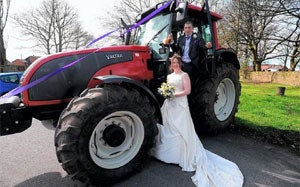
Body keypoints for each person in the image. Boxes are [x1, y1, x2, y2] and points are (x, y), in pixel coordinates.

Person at [150, 53, 244, 187]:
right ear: (171, 64)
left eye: (177, 62)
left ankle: (181, 153)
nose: (175, 64)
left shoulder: (184, 75)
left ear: (180, 64)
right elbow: (168, 86)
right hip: (170, 104)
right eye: (173, 63)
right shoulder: (170, 76)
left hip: (180, 103)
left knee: (181, 127)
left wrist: (173, 94)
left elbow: (187, 91)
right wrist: (166, 94)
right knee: (169, 124)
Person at [169, 21, 211, 86]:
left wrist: (206, 46)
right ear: (184, 29)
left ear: (192, 28)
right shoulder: (181, 38)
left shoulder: (198, 37)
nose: (187, 29)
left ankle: (188, 94)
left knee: (189, 83)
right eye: (186, 28)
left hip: (192, 64)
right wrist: (172, 41)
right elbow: (176, 50)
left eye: (189, 28)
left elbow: (202, 46)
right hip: (182, 64)